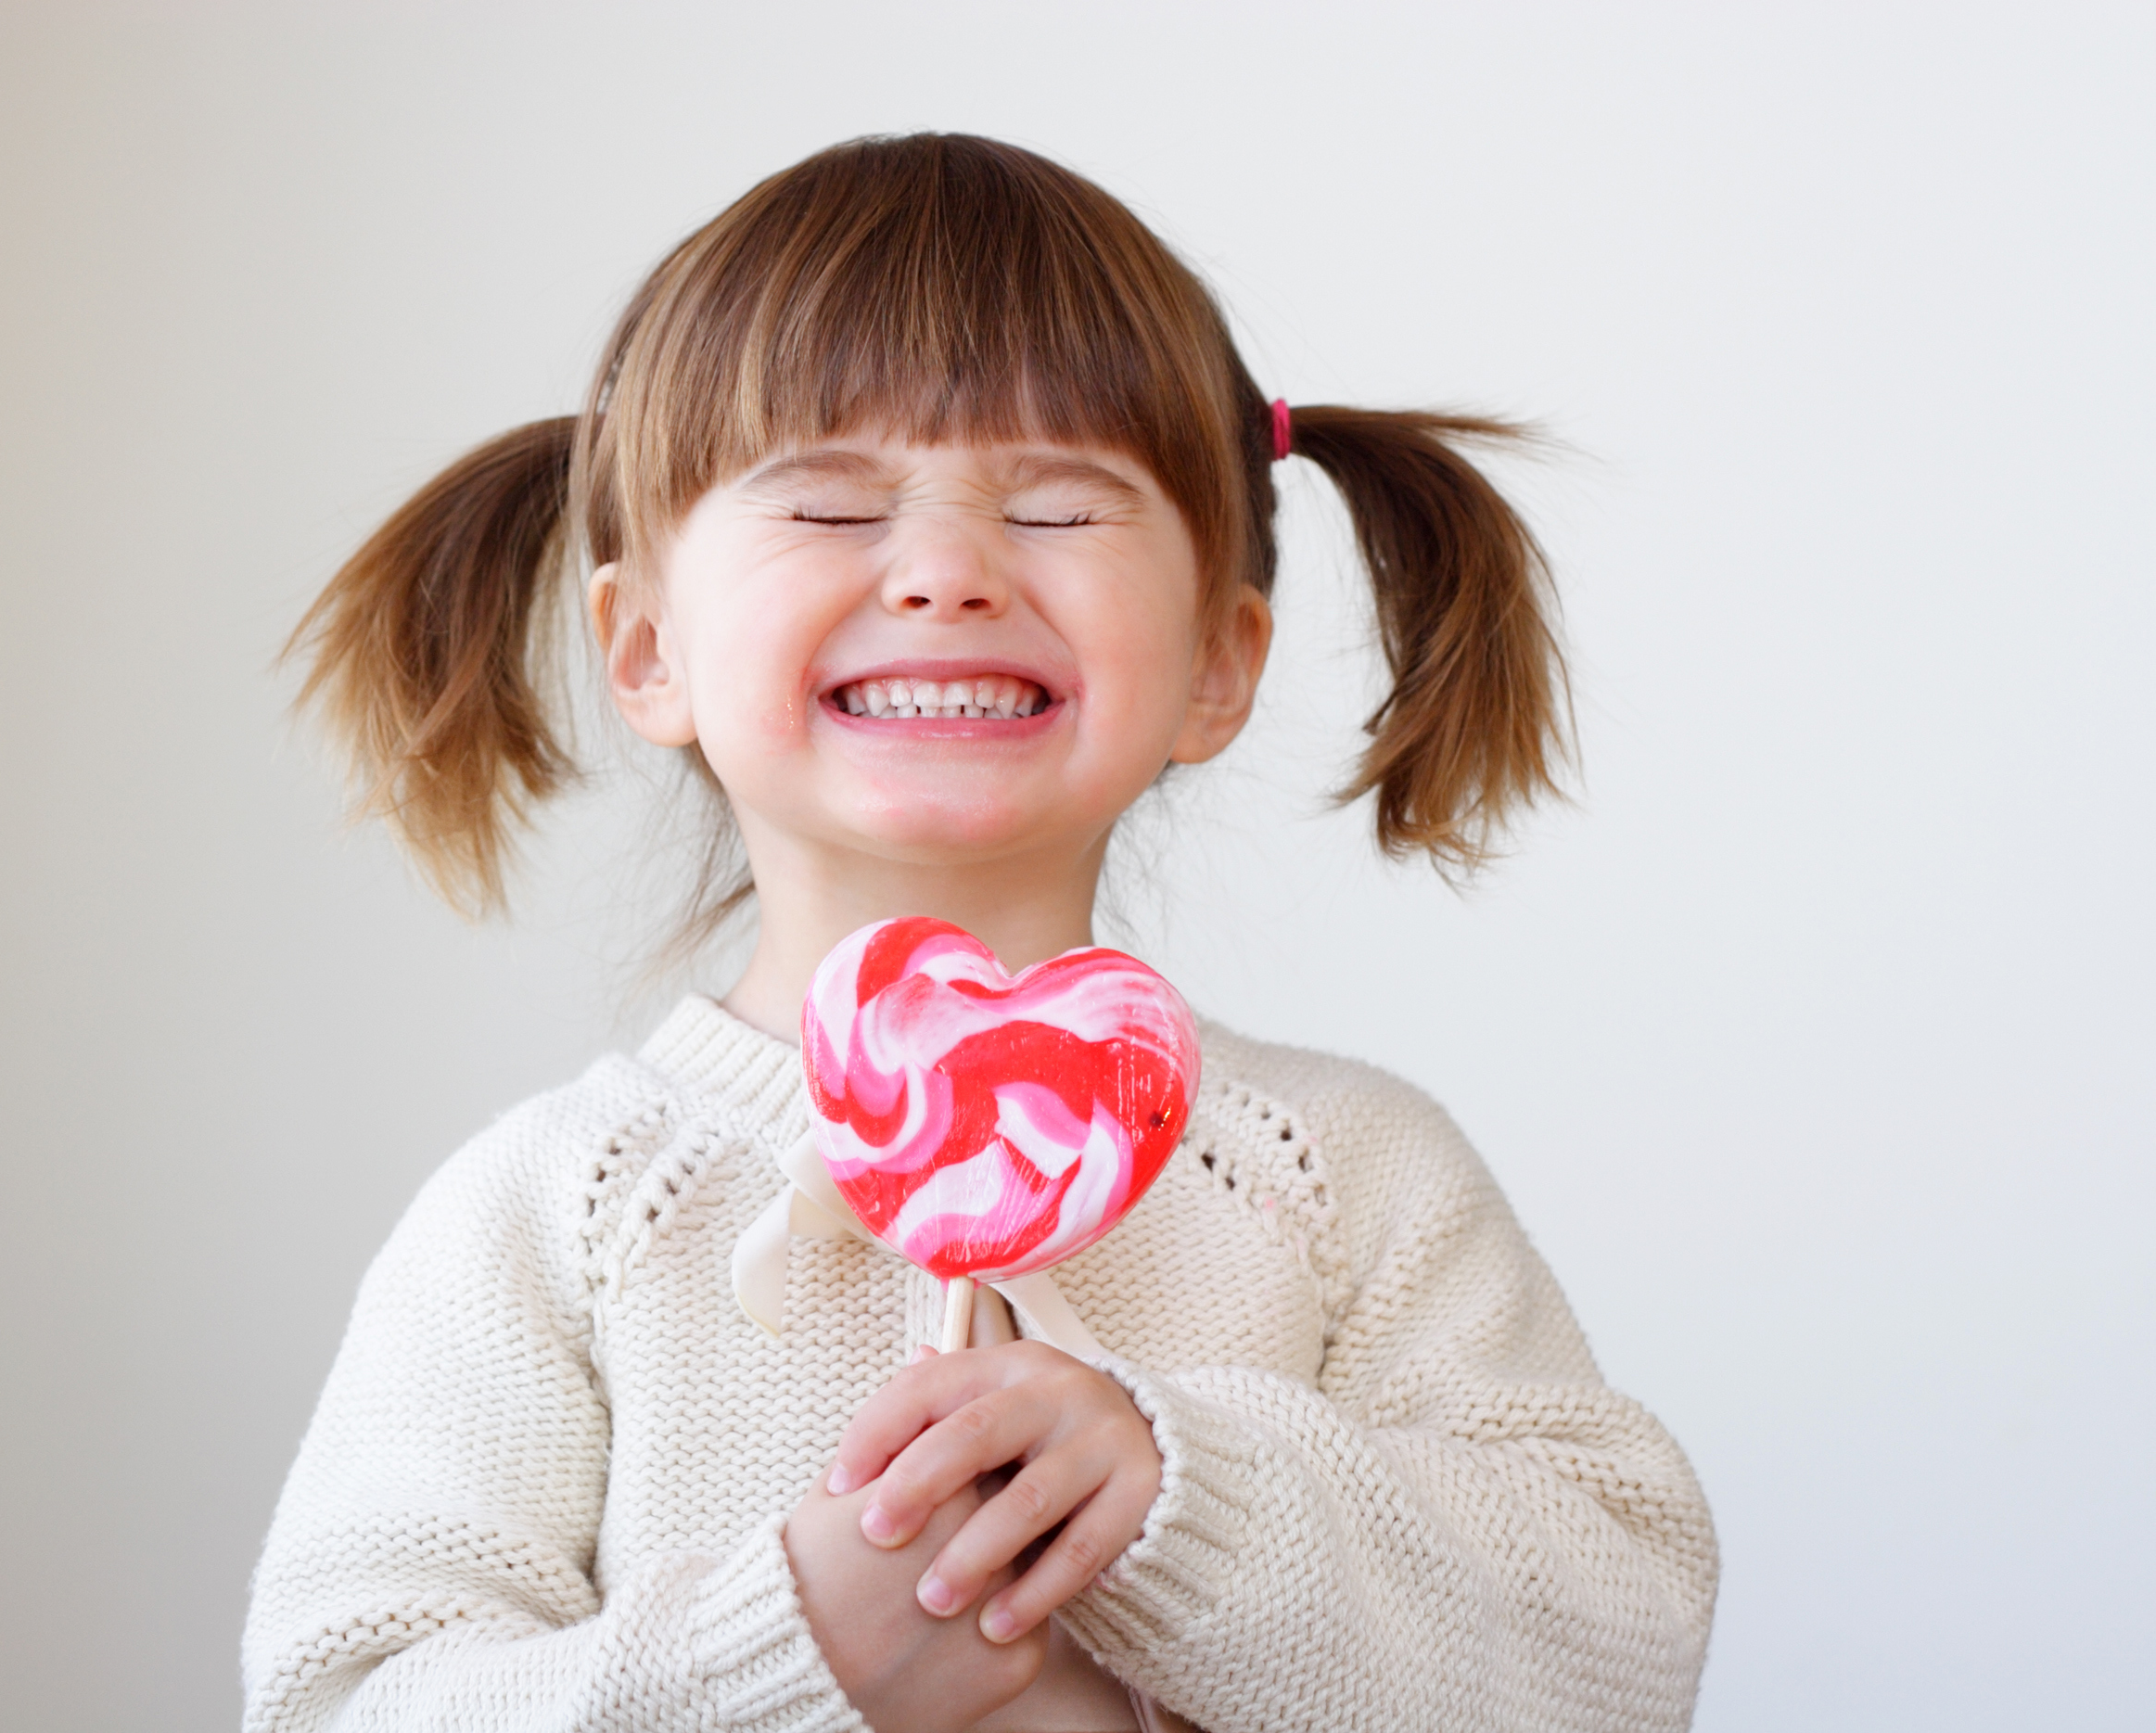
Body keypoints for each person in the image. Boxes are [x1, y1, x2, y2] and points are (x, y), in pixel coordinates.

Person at [242, 133, 1716, 1733]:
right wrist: (794, 1640)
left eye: (1060, 508)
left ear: (1221, 662)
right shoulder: (554, 1219)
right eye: (826, 501)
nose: (946, 572)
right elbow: (346, 1699)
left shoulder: (1345, 1177)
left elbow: (1612, 1640)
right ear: (647, 646)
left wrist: (1184, 1503)